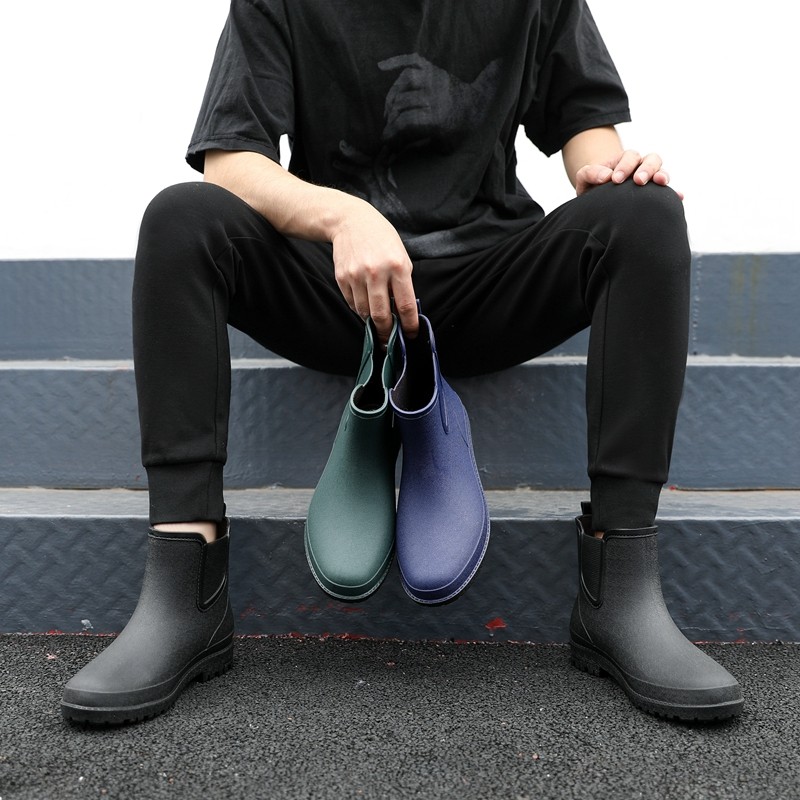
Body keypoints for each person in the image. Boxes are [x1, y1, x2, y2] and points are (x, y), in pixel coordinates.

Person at [61, 0, 743, 725]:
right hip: (337, 290)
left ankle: (620, 589)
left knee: (646, 213)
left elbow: (586, 130)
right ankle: (185, 591)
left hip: (487, 285)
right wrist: (345, 216)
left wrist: (612, 172)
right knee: (180, 217)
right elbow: (231, 163)